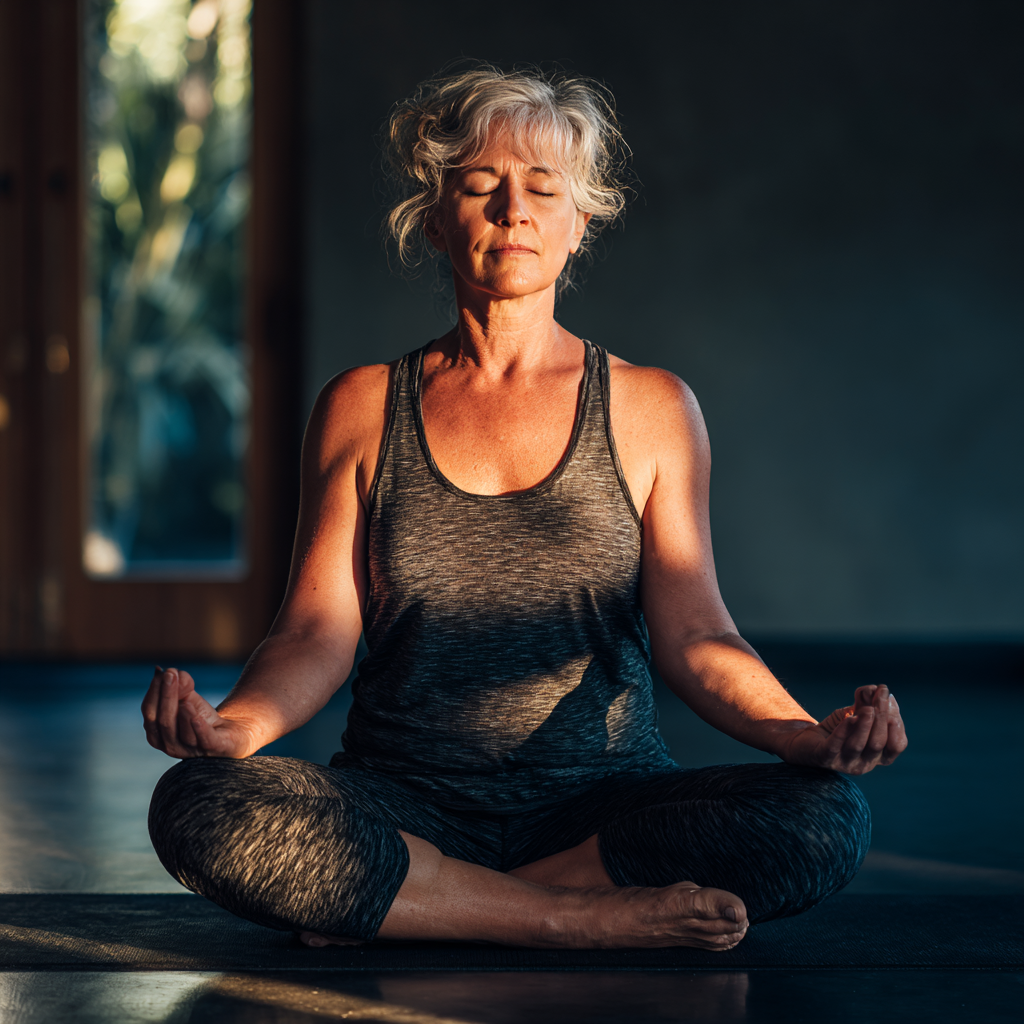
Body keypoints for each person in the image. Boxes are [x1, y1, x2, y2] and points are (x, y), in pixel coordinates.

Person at [142, 64, 907, 951]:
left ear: (579, 225)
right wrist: (233, 728)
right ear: (436, 219)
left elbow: (700, 636)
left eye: (544, 189)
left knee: (824, 818)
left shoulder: (652, 407)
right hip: (403, 797)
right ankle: (566, 918)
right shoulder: (360, 405)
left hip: (600, 810)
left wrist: (805, 735)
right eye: (480, 187)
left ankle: (412, 902)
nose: (514, 211)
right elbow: (315, 633)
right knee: (199, 803)